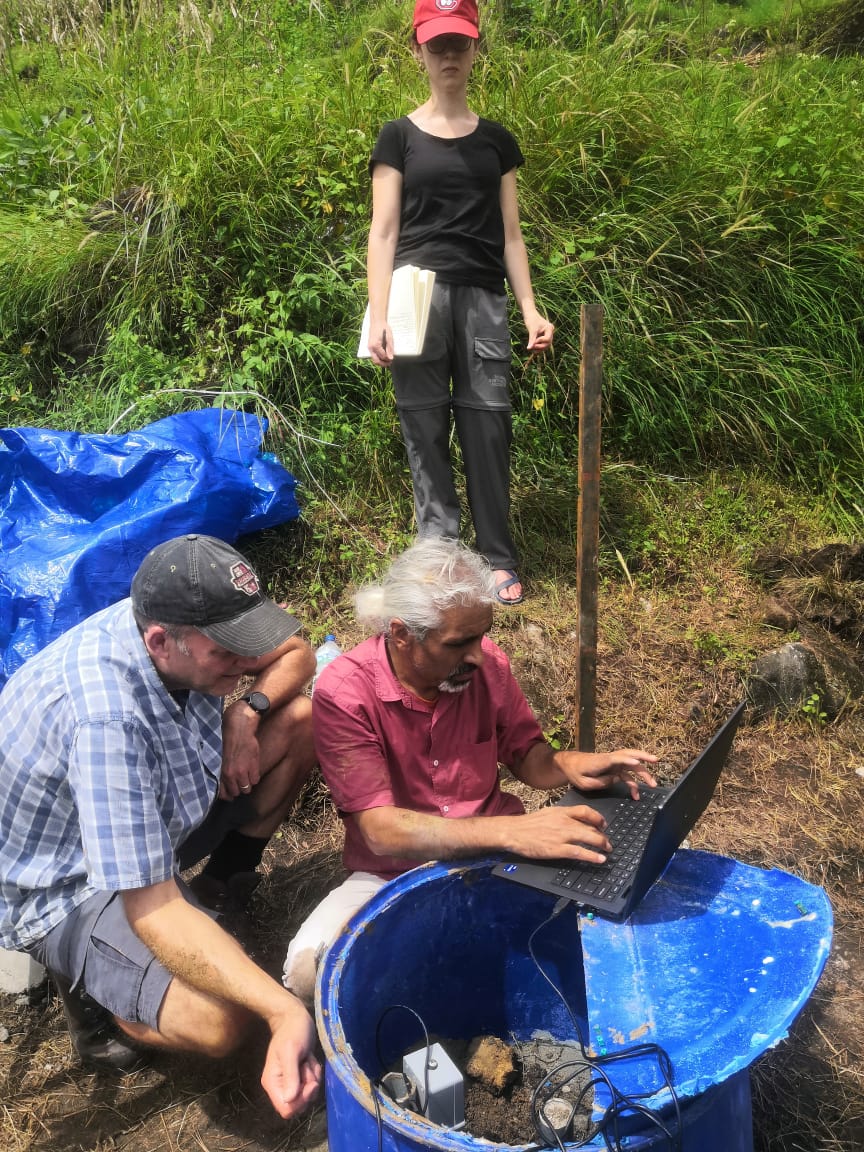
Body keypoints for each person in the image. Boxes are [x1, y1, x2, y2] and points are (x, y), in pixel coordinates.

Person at [0, 533, 321, 1119]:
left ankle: (220, 890)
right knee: (223, 1019)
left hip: (164, 802)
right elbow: (153, 905)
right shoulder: (106, 719)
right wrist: (282, 1009)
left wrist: (248, 714)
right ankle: (105, 1000)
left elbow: (297, 652)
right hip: (74, 880)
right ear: (159, 641)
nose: (245, 663)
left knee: (304, 721)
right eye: (228, 654)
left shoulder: (177, 628)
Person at [282, 539, 657, 1006]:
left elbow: (527, 756)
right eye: (459, 643)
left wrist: (572, 765)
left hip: (499, 860)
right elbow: (380, 832)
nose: (478, 655)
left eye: (482, 636)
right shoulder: (345, 691)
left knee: (602, 931)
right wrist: (513, 832)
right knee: (308, 968)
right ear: (401, 634)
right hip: (395, 873)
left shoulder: (486, 665)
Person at [363, 0, 554, 607]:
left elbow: (512, 234)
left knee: (487, 422)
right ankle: (440, 555)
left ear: (476, 50)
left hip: (482, 299)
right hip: (414, 296)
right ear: (418, 50)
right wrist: (378, 311)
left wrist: (529, 308)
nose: (448, 56)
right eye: (436, 44)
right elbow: (383, 232)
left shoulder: (497, 141)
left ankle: (498, 556)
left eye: (459, 44)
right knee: (422, 423)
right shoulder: (398, 136)